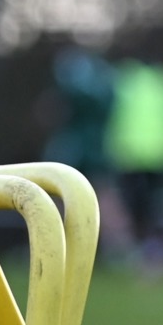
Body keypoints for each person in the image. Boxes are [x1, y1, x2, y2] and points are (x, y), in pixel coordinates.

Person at [39, 46, 131, 252]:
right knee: (74, 199)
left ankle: (119, 250)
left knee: (101, 200)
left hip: (84, 153)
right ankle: (53, 248)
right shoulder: (105, 83)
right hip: (89, 151)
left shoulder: (86, 88)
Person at [105, 59, 163, 277]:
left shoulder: (125, 80)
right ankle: (153, 254)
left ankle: (149, 255)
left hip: (132, 156)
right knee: (154, 209)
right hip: (160, 154)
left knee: (140, 210)